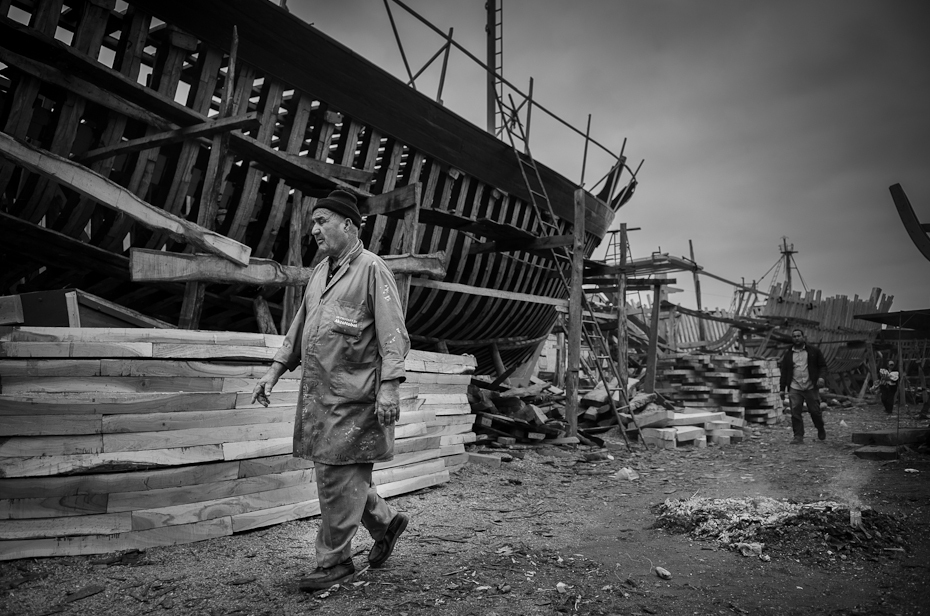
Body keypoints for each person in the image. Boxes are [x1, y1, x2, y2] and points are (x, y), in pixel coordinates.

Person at [251, 189, 411, 591]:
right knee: (344, 472)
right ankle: (387, 523)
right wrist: (274, 370)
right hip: (322, 397)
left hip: (356, 398)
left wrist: (390, 387)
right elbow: (300, 327)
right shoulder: (321, 272)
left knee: (334, 475)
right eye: (313, 223)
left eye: (323, 221)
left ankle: (335, 561)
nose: (315, 229)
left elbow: (394, 335)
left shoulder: (373, 269)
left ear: (349, 225)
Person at [779, 329, 828, 444]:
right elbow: (784, 372)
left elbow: (823, 366)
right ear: (792, 338)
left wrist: (821, 378)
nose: (797, 338)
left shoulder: (813, 351)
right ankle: (798, 436)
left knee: (815, 411)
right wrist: (782, 389)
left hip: (811, 386)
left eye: (799, 336)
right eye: (794, 336)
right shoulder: (788, 355)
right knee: (795, 412)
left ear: (803, 337)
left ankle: (820, 428)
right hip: (795, 386)